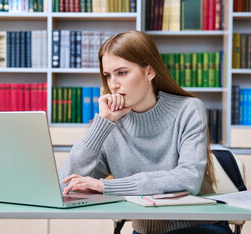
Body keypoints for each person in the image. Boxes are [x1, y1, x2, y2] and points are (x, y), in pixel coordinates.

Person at [58, 30, 232, 234]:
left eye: (122, 72)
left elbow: (188, 179)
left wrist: (107, 187)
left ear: (149, 71)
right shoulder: (110, 124)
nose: (113, 84)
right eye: (108, 75)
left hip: (200, 227)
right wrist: (102, 123)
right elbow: (66, 182)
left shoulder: (189, 109)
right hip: (146, 231)